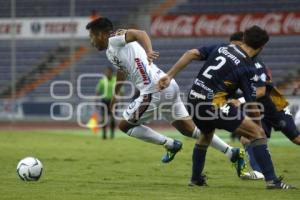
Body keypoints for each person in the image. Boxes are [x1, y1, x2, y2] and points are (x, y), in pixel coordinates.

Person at [86, 17, 245, 173]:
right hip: (167, 85)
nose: (91, 41)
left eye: (91, 36)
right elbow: (122, 70)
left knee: (124, 126)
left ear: (101, 34)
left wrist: (149, 51)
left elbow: (140, 33)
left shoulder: (114, 38)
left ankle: (170, 144)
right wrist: (116, 95)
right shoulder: (111, 51)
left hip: (153, 89)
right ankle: (232, 152)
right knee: (189, 129)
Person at [158, 26, 295, 189]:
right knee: (257, 134)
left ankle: (195, 179)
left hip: (194, 99)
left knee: (206, 135)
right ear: (262, 47)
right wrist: (257, 129)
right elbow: (252, 103)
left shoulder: (223, 47)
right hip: (214, 105)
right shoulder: (248, 67)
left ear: (244, 38)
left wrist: (169, 75)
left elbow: (191, 53)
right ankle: (272, 181)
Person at [228, 31, 300, 180]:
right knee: (247, 137)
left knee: (296, 139)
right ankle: (259, 172)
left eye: (237, 46)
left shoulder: (256, 63)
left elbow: (261, 91)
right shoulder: (236, 62)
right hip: (256, 108)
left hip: (273, 107)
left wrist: (239, 101)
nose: (234, 50)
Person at [96, 66, 116, 139]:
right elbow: (98, 92)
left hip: (113, 101)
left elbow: (120, 91)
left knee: (112, 119)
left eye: (108, 72)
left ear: (111, 72)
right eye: (106, 72)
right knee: (104, 119)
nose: (107, 73)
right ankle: (104, 134)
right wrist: (96, 101)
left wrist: (120, 100)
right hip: (104, 101)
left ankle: (112, 134)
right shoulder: (102, 81)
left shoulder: (116, 80)